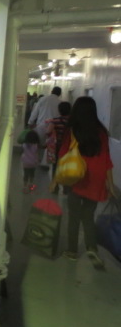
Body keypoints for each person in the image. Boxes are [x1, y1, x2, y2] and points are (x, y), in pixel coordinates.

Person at [59, 96, 115, 270]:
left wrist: (58, 179)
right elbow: (106, 159)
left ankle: (72, 251)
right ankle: (92, 248)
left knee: (74, 216)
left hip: (77, 176)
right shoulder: (102, 132)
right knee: (88, 215)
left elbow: (62, 154)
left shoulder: (72, 130)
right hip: (97, 179)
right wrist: (110, 184)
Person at [45, 101, 71, 190]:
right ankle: (66, 188)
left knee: (56, 166)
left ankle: (55, 187)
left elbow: (48, 132)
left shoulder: (55, 120)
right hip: (69, 147)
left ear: (59, 110)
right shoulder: (73, 122)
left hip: (58, 146)